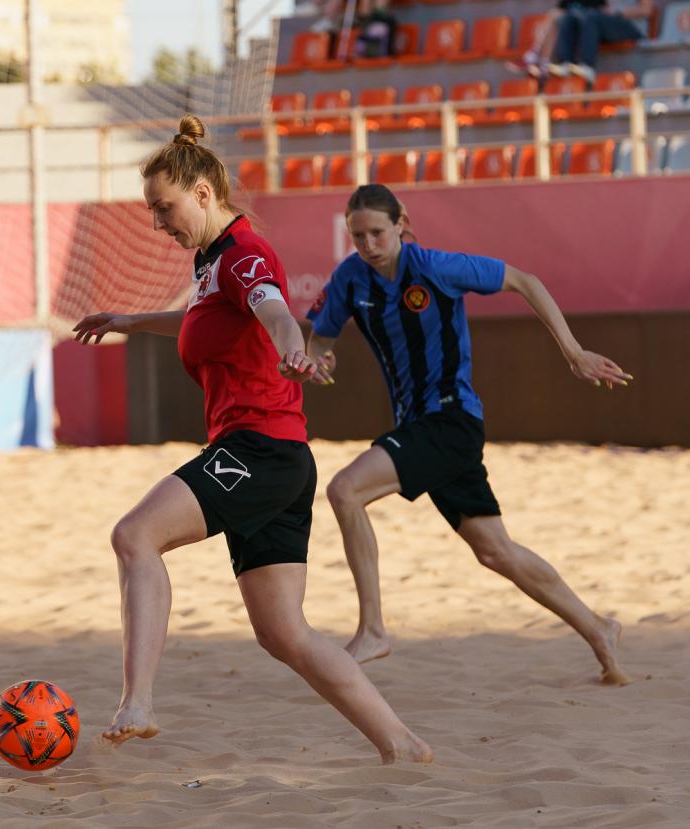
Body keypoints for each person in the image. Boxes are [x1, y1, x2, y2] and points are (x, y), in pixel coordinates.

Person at [73, 117, 432, 764]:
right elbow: (206, 319)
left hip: (256, 451)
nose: (158, 223)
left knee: (134, 536)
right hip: (279, 458)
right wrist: (131, 320)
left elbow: (274, 313)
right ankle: (403, 744)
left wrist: (293, 350)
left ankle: (138, 702)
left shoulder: (245, 254)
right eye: (152, 210)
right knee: (284, 632)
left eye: (164, 207)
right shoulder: (213, 260)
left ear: (203, 193)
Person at [306, 184, 631, 686]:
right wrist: (317, 361)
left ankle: (372, 630)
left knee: (345, 490)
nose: (368, 244)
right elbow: (319, 341)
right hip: (418, 426)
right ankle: (598, 628)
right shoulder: (350, 278)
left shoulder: (436, 267)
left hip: (452, 419)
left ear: (400, 224)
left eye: (377, 233)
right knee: (495, 550)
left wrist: (573, 351)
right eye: (358, 235)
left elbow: (524, 280)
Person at [548, 0, 655, 83]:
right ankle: (565, 64)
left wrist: (617, 13)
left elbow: (646, 10)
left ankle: (587, 65)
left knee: (591, 17)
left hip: (632, 26)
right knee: (571, 17)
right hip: (607, 22)